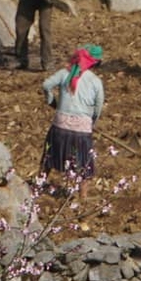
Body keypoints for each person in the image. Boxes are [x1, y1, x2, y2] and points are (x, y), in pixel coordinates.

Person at [41, 44, 104, 191]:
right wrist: (92, 122)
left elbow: (46, 85)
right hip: (81, 131)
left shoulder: (65, 73)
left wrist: (52, 101)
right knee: (83, 165)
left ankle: (39, 184)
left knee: (48, 158)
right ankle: (83, 198)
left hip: (60, 125)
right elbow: (98, 107)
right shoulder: (96, 82)